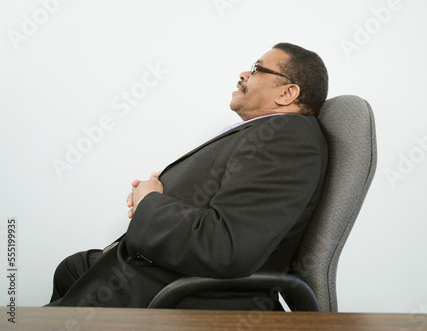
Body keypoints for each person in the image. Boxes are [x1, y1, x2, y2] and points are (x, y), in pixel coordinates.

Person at [47, 42, 329, 308]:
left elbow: (225, 247)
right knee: (71, 268)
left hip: (183, 294)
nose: (244, 74)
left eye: (257, 68)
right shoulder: (268, 133)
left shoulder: (286, 139)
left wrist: (149, 201)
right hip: (155, 270)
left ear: (287, 93)